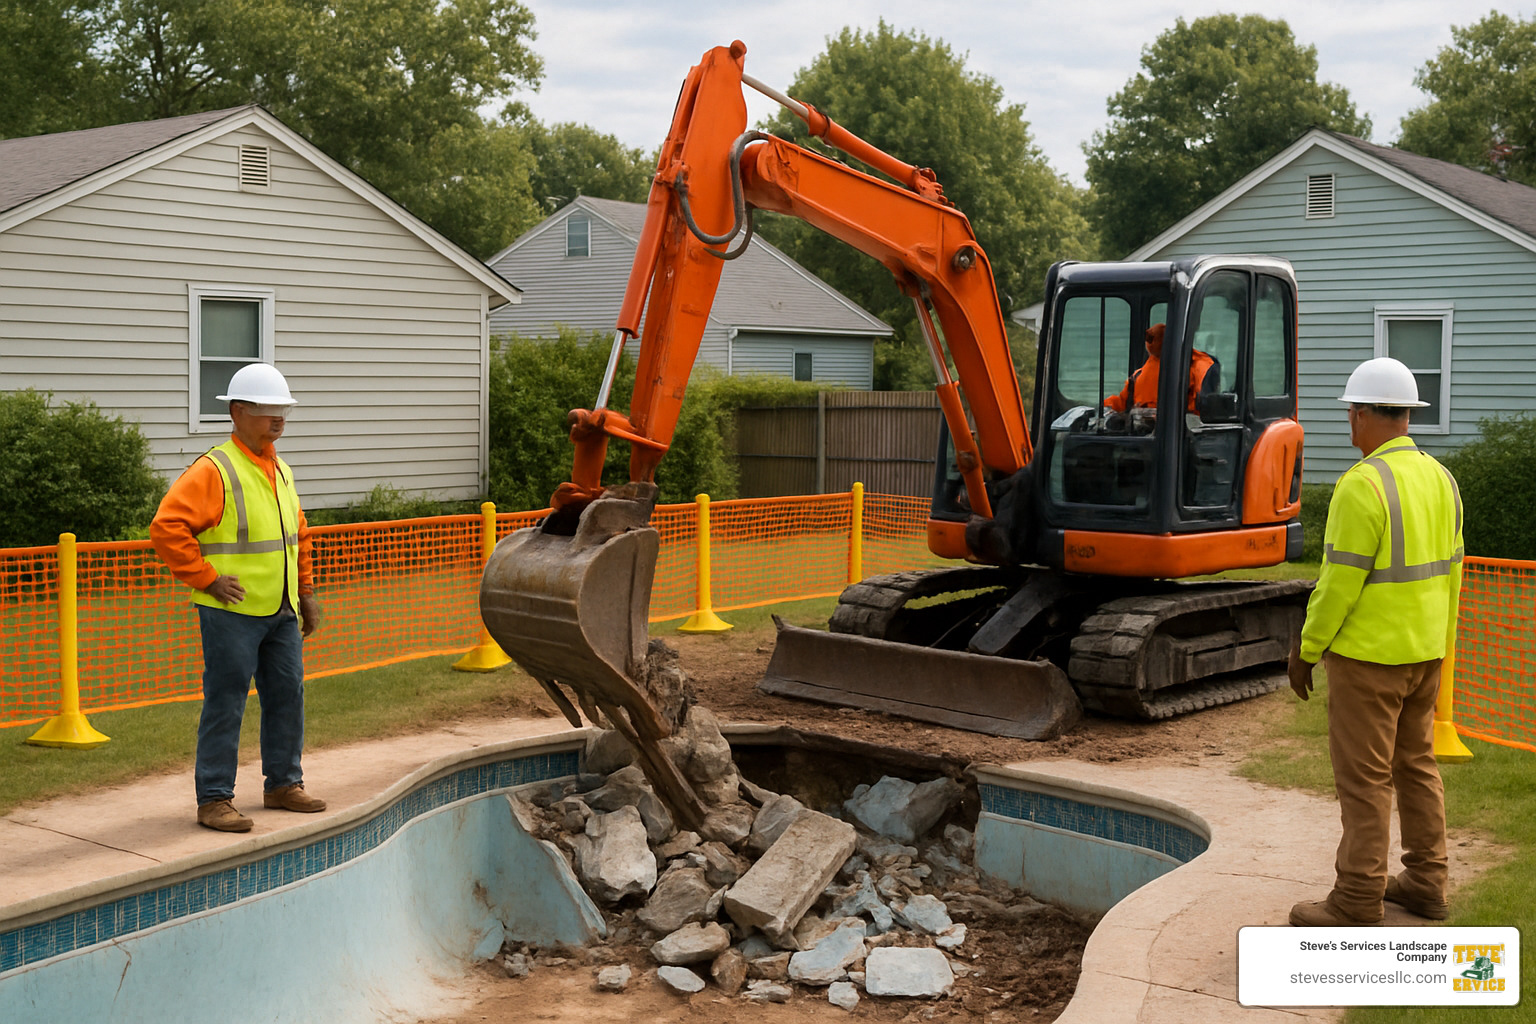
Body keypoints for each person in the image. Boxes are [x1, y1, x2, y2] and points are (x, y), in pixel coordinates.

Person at [1286, 356, 1463, 927]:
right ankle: (1427, 883)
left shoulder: (1361, 484)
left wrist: (1307, 650)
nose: (1349, 424)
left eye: (1350, 414)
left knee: (1364, 779)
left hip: (1368, 661)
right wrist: (1441, 646)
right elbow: (1453, 573)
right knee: (1416, 767)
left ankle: (1358, 897)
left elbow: (1338, 585)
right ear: (1408, 414)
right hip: (1425, 654)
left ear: (1361, 414)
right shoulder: (1443, 479)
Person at [150, 363, 326, 833]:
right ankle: (213, 800)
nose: (278, 419)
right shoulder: (215, 469)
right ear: (238, 411)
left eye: (283, 411)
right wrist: (206, 578)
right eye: (269, 410)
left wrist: (305, 593)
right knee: (226, 701)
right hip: (231, 612)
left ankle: (283, 784)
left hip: (281, 609)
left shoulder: (280, 469)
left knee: (287, 696)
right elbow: (167, 527)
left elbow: (299, 536)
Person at [1104, 322, 1219, 423]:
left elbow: (1120, 404)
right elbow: (1204, 408)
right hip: (1163, 434)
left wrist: (1104, 408)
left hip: (1174, 436)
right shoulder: (1202, 366)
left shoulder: (1139, 375)